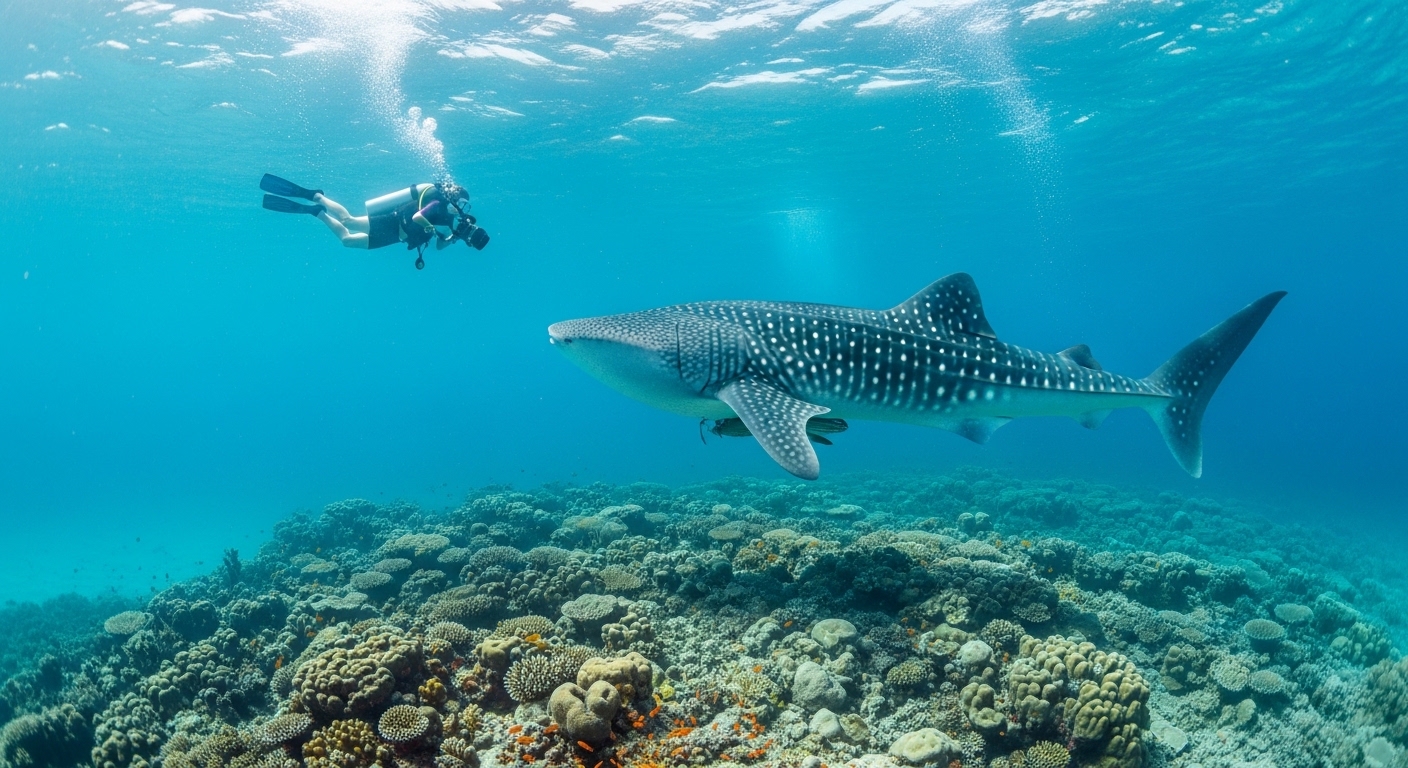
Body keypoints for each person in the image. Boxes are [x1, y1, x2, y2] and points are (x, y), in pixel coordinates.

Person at [259, 174, 489, 269]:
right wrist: (430, 227)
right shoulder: (438, 204)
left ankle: (316, 212)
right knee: (348, 220)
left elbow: (439, 246)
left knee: (347, 241)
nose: (460, 208)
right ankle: (316, 196)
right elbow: (419, 217)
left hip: (394, 238)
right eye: (460, 202)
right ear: (453, 197)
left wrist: (453, 237)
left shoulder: (450, 220)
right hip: (392, 222)